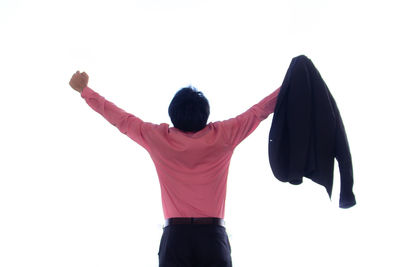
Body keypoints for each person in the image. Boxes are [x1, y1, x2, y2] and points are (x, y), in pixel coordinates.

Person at [69, 71, 280, 267]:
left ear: (173, 114)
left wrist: (85, 91)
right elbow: (260, 111)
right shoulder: (224, 135)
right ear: (205, 114)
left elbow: (120, 119)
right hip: (213, 238)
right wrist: (292, 84)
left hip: (175, 239)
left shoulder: (158, 138)